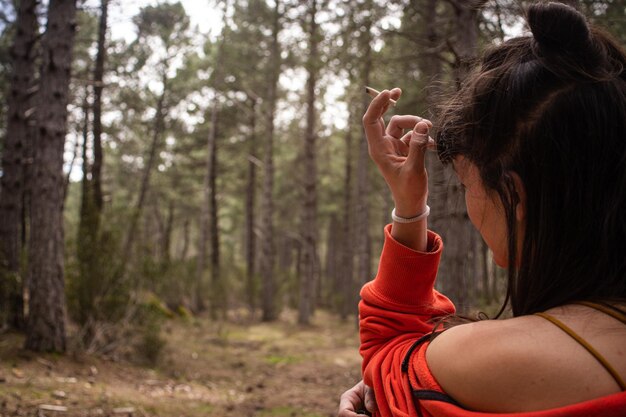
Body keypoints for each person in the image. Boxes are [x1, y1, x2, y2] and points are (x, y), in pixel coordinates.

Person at [338, 2, 626, 416]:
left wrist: (409, 207)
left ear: (515, 196)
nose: (471, 205)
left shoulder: (481, 364)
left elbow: (384, 359)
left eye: (466, 185)